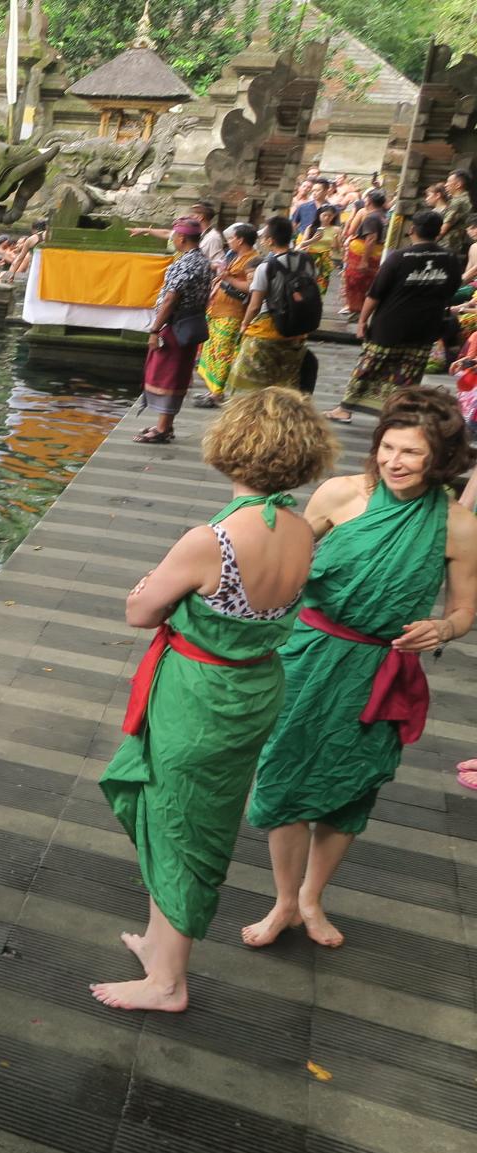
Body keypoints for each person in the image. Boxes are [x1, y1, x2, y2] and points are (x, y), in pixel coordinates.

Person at [90, 389, 338, 1013]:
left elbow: (138, 610)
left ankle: (168, 981)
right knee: (201, 815)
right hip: (254, 687)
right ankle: (158, 941)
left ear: (231, 448)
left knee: (180, 823)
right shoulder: (303, 531)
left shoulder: (213, 539)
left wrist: (149, 589)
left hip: (200, 696)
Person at [243, 390, 477, 950]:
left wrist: (443, 629)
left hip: (379, 667)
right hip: (309, 654)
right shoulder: (340, 494)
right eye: (389, 447)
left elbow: (466, 608)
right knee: (285, 777)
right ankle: (282, 902)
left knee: (350, 789)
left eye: (413, 453)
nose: (396, 461)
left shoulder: (458, 524)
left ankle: (311, 898)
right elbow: (286, 559)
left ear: (440, 458)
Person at [329, 211, 459, 422]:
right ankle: (399, 412)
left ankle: (345, 408)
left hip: (390, 324)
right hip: (426, 326)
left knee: (369, 366)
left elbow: (375, 294)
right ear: (438, 233)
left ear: (412, 230)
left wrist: (362, 321)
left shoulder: (399, 257)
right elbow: (451, 290)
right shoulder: (450, 259)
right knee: (410, 372)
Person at [135, 217, 215, 445]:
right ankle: (165, 424)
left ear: (181, 238)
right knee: (177, 373)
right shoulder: (202, 261)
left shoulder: (184, 263)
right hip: (191, 324)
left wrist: (154, 329)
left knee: (166, 375)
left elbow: (170, 299)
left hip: (175, 325)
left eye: (174, 237)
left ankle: (162, 429)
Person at [227, 215, 311, 394]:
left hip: (268, 329)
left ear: (270, 240)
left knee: (250, 383)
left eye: (264, 236)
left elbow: (255, 305)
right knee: (285, 381)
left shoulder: (266, 267)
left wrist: (244, 324)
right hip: (297, 327)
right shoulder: (306, 261)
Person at [193, 223, 259, 406]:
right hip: (217, 309)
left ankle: (218, 393)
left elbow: (252, 287)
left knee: (224, 352)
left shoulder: (253, 260)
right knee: (213, 350)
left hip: (233, 312)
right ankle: (213, 389)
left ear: (240, 240)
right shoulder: (235, 256)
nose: (229, 241)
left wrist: (227, 278)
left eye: (231, 238)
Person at [340, 189, 389, 319]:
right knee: (366, 282)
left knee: (357, 282)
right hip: (374, 253)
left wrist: (364, 260)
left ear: (369, 201)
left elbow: (371, 238)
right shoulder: (383, 216)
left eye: (366, 199)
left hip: (364, 255)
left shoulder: (372, 217)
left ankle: (358, 311)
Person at [301, 203, 341, 293]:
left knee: (322, 284)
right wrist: (313, 240)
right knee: (307, 283)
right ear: (319, 215)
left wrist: (336, 241)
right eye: (324, 215)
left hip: (326, 258)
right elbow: (302, 244)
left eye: (330, 216)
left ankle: (318, 302)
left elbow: (338, 249)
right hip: (311, 257)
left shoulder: (336, 229)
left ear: (333, 217)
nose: (327, 218)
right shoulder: (311, 228)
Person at [443, 169, 473, 264]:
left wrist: (429, 241)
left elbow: (444, 228)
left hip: (446, 244)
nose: (445, 185)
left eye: (448, 182)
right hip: (454, 244)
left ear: (458, 185)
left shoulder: (457, 202)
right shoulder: (465, 199)